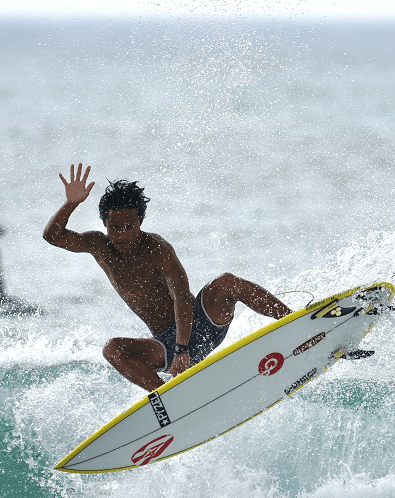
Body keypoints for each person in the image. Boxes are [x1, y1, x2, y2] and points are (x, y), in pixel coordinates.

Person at [43, 163, 292, 392]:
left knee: (226, 282)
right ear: (105, 224)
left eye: (130, 226)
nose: (123, 235)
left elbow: (182, 297)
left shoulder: (156, 248)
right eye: (115, 228)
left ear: (140, 221)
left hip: (200, 324)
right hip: (164, 344)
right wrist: (71, 203)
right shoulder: (98, 245)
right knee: (113, 349)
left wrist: (182, 350)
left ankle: (294, 322)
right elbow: (53, 236)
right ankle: (167, 396)